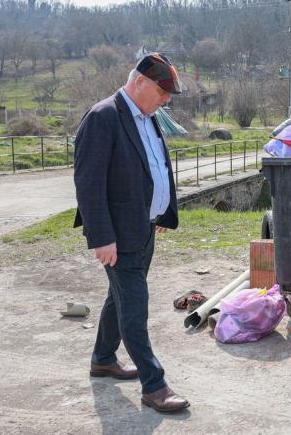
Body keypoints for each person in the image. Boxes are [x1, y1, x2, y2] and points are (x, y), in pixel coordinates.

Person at [73, 53, 189, 413]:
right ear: (139, 82)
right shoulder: (103, 117)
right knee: (134, 308)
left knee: (120, 298)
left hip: (143, 228)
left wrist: (159, 213)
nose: (166, 99)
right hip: (118, 236)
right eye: (162, 91)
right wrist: (101, 236)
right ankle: (154, 386)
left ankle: (102, 358)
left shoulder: (149, 117)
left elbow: (151, 167)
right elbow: (88, 183)